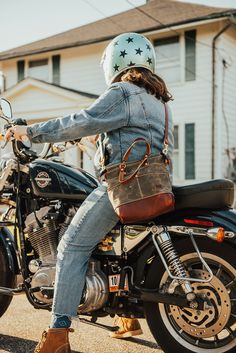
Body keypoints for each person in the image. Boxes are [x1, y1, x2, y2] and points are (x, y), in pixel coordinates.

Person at [6, 32, 173, 353]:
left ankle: (57, 336)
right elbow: (129, 137)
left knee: (70, 246)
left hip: (125, 187)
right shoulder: (158, 101)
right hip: (155, 185)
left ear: (114, 63)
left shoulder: (122, 92)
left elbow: (83, 119)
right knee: (107, 246)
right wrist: (95, 143)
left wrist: (31, 131)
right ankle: (126, 317)